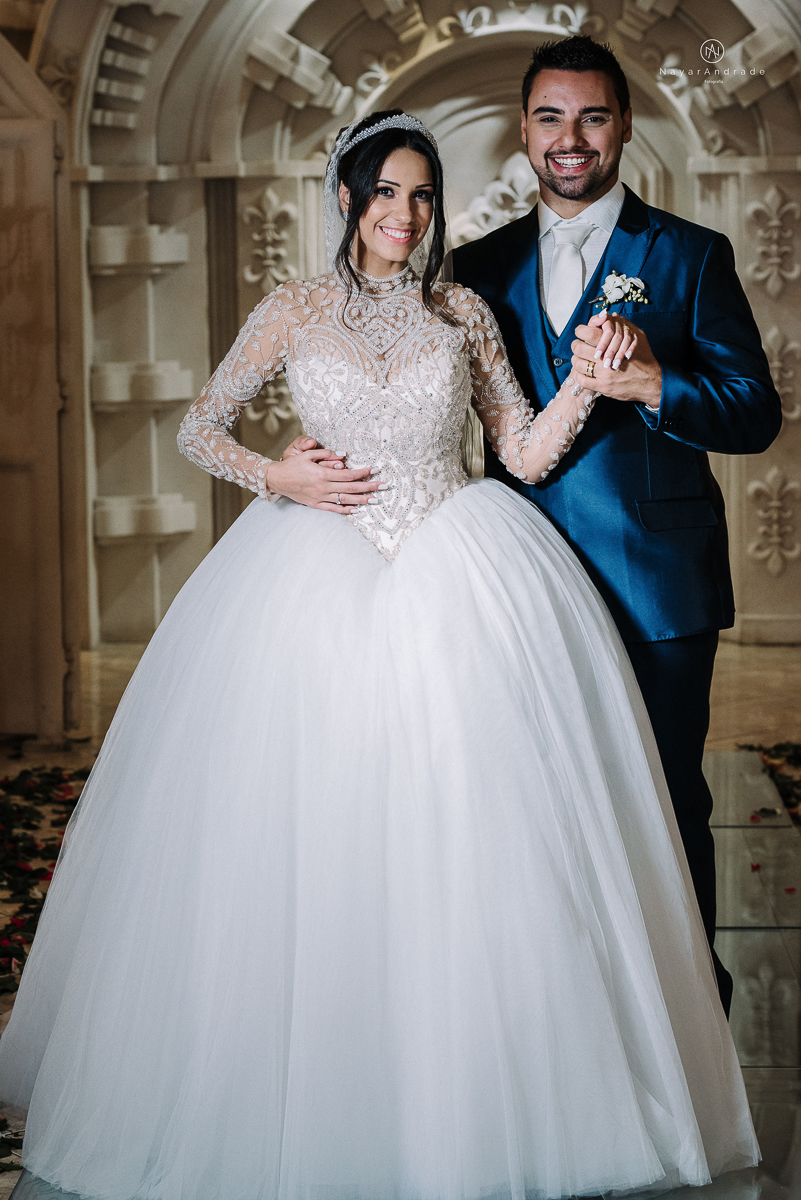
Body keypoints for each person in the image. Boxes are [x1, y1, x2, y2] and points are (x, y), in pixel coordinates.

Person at [0, 110, 757, 1200]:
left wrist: (591, 381)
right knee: (310, 824)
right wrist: (280, 476)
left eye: (424, 196)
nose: (407, 216)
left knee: (471, 828)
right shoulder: (294, 310)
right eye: (387, 194)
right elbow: (198, 426)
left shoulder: (463, 310)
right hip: (311, 570)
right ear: (347, 201)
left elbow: (527, 455)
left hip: (460, 562)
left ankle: (476, 1093)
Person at [446, 36, 783, 1013]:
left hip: (657, 586)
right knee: (536, 802)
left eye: (593, 117)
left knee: (668, 799)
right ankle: (570, 1010)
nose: (572, 139)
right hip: (519, 580)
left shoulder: (687, 254)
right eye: (551, 117)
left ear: (624, 125)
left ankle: (691, 1008)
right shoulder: (477, 267)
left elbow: (752, 410)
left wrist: (649, 382)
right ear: (523, 128)